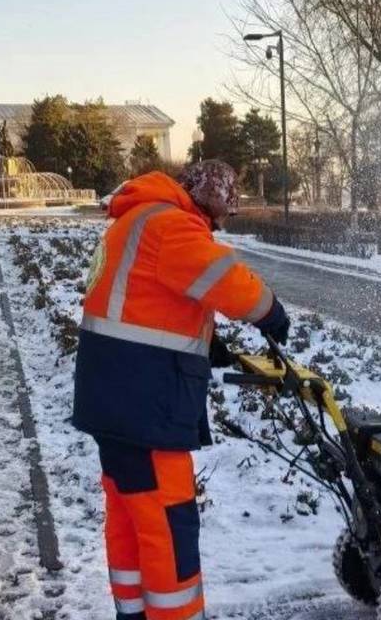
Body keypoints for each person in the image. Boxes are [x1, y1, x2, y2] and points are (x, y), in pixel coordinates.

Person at [73, 160, 290, 620]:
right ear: (209, 202)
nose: (216, 228)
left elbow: (148, 300)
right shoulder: (172, 225)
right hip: (146, 404)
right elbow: (227, 280)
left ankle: (132, 612)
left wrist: (206, 343)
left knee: (131, 517)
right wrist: (271, 312)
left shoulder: (136, 220)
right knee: (169, 525)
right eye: (220, 217)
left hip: (112, 398)